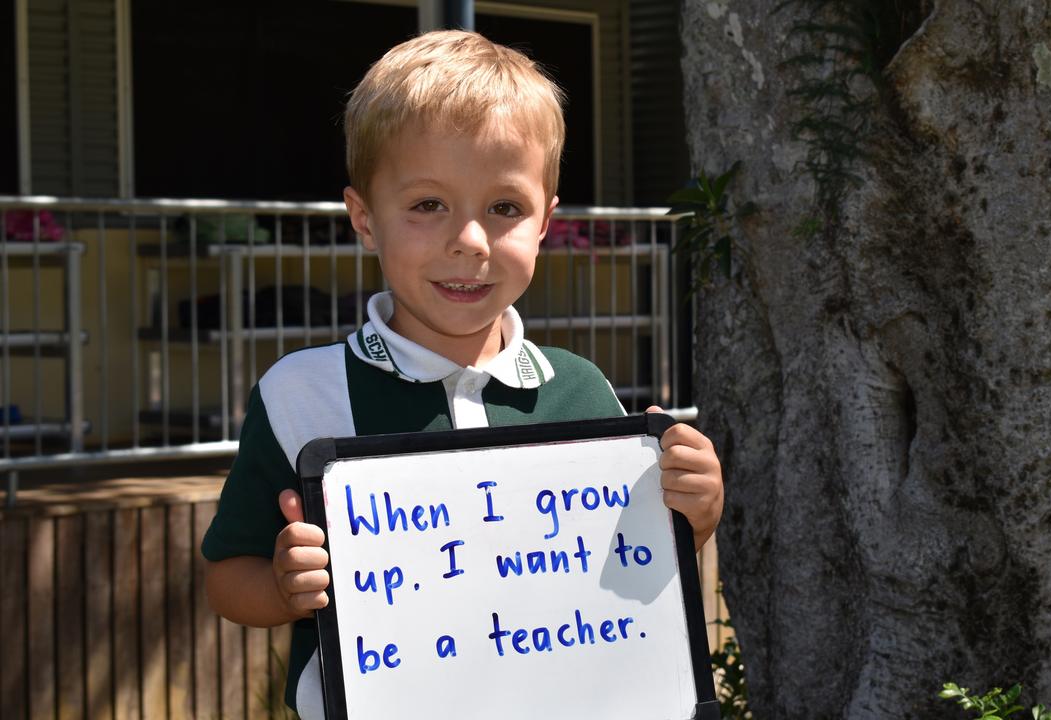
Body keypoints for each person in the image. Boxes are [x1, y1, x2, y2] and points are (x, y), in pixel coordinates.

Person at [200, 29, 724, 718]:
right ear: (364, 218)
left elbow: (632, 570)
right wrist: (280, 586)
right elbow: (225, 576)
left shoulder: (585, 393)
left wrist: (697, 511)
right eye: (427, 205)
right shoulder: (301, 396)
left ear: (545, 223)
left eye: (504, 208)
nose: (469, 241)